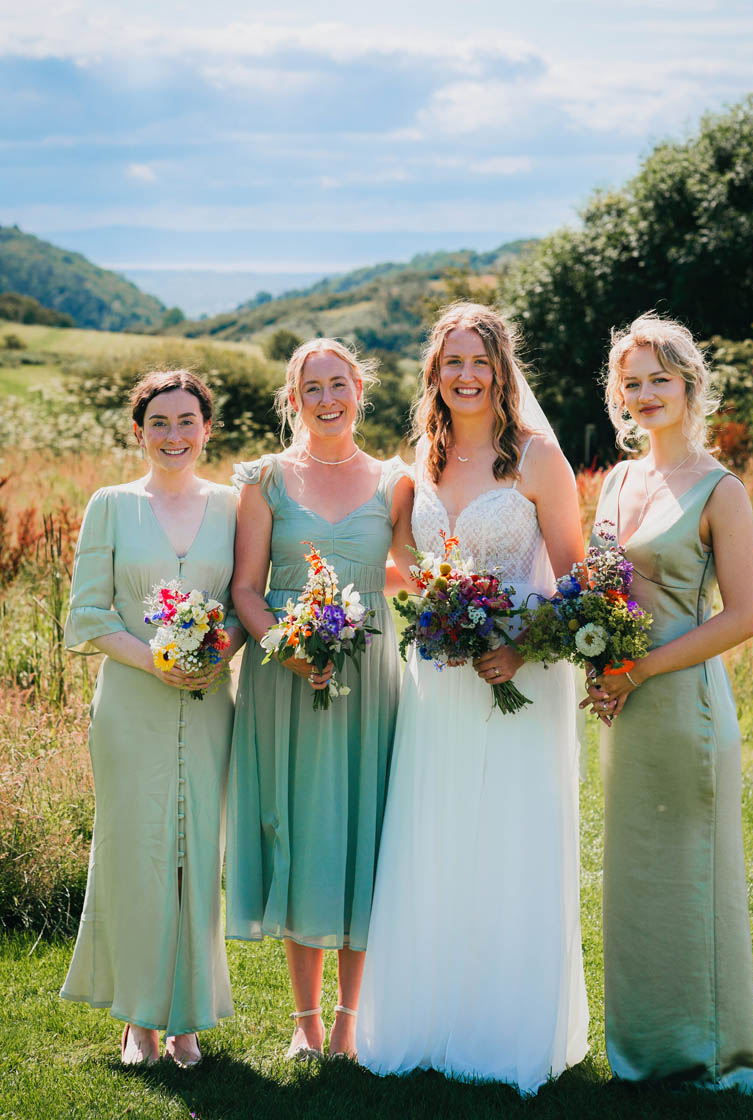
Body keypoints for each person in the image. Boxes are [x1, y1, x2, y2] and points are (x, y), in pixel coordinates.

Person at [357, 303, 589, 1094]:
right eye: (451, 362)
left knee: (508, 839)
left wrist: (517, 644)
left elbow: (579, 580)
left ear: (501, 368)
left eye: (478, 362)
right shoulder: (423, 458)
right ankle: (428, 1021)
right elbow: (399, 555)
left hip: (518, 673)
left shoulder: (537, 459)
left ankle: (506, 1030)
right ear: (435, 372)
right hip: (438, 677)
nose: (465, 376)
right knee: (437, 833)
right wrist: (437, 603)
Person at [584, 311, 753, 1091]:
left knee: (694, 880)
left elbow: (743, 618)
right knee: (637, 885)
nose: (646, 393)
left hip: (683, 706)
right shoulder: (618, 479)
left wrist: (642, 670)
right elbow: (596, 586)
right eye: (632, 383)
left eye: (660, 379)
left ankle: (716, 1054)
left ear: (690, 385)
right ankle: (644, 1051)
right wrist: (593, 655)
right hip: (623, 710)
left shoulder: (723, 490)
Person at [225, 338, 413, 1060]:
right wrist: (287, 647)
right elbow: (246, 585)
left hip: (366, 678)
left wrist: (471, 602)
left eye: (339, 384)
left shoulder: (395, 481)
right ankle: (304, 1023)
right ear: (293, 397)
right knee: (300, 831)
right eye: (313, 388)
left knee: (362, 829)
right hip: (284, 676)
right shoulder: (263, 478)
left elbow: (402, 569)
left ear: (360, 388)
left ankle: (348, 1020)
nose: (328, 399)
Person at [61, 369, 245, 1067]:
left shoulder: (234, 505)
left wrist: (215, 650)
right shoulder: (110, 505)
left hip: (208, 703)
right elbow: (88, 614)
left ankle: (186, 1021)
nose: (174, 435)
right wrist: (154, 661)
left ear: (207, 428)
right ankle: (138, 1020)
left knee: (196, 856)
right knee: (136, 851)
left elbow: (243, 601)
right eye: (159, 423)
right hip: (132, 704)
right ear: (139, 432)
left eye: (186, 421)